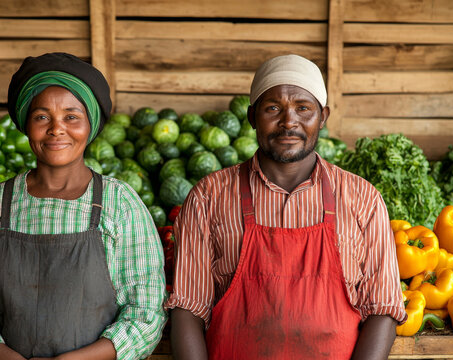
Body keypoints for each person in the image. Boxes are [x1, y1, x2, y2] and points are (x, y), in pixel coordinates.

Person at [166, 54, 407, 360]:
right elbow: (187, 308)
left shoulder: (363, 198)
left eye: (303, 108)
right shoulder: (208, 197)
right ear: (252, 117)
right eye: (273, 108)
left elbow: (383, 310)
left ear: (323, 116)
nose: (289, 121)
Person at [0, 52, 167, 360]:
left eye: (72, 117)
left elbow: (146, 314)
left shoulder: (119, 204)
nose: (57, 129)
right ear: (26, 125)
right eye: (42, 116)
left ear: (90, 125)